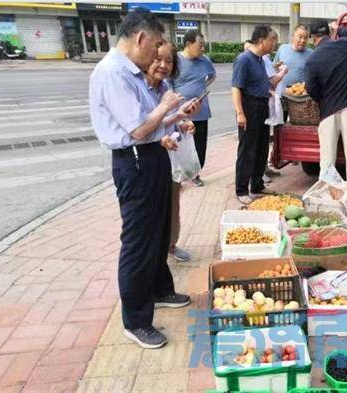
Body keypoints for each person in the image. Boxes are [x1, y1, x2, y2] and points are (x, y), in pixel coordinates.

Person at [89, 8, 199, 349]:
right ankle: (135, 321)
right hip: (133, 163)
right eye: (155, 49)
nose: (158, 57)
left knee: (158, 230)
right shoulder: (113, 73)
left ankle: (160, 289)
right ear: (140, 38)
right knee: (138, 242)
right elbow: (138, 129)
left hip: (150, 158)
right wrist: (165, 105)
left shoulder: (131, 73)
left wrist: (174, 114)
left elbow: (151, 127)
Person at [144, 41, 197, 263]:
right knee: (151, 211)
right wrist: (160, 138)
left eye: (169, 60)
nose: (163, 65)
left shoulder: (166, 88)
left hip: (171, 157)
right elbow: (139, 128)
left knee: (172, 205)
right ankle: (152, 252)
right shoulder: (139, 88)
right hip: (148, 160)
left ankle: (171, 244)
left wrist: (183, 124)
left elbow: (171, 120)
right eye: (158, 59)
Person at [305, 19, 347, 184]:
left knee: (327, 156)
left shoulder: (312, 59)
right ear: (328, 33)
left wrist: (320, 99)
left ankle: (327, 189)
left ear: (313, 37)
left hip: (328, 111)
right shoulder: (344, 45)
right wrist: (338, 29)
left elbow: (311, 88)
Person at [232, 26, 278, 204]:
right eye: (272, 40)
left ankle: (257, 184)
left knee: (261, 147)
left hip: (262, 106)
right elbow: (236, 87)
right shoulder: (244, 59)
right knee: (247, 150)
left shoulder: (260, 60)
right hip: (249, 107)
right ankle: (241, 189)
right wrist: (240, 113)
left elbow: (263, 82)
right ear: (261, 41)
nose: (274, 44)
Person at [172, 29, 216, 188]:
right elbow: (168, 84)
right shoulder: (175, 60)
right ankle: (179, 175)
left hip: (201, 111)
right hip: (180, 114)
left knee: (200, 147)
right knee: (180, 146)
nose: (203, 48)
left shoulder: (205, 60)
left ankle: (195, 173)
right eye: (200, 45)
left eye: (204, 45)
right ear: (188, 44)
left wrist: (201, 86)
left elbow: (212, 75)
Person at [273, 23, 313, 120]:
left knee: (298, 127)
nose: (303, 40)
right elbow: (273, 67)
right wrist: (276, 67)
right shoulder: (282, 48)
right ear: (293, 36)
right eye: (300, 37)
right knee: (280, 126)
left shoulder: (311, 54)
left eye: (306, 38)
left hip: (301, 99)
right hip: (282, 96)